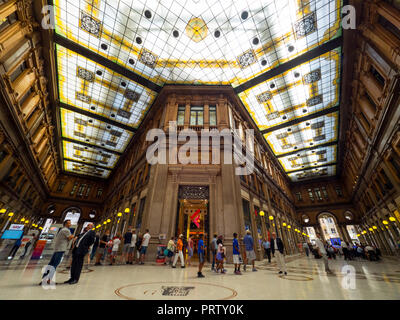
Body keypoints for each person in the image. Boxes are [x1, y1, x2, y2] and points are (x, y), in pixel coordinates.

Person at [40, 220, 74, 285]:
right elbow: (69, 238)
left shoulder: (62, 230)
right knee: (54, 264)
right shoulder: (66, 230)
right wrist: (73, 236)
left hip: (58, 249)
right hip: (60, 249)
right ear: (66, 224)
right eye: (69, 223)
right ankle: (49, 280)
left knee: (51, 264)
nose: (70, 224)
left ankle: (44, 278)